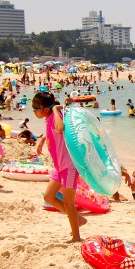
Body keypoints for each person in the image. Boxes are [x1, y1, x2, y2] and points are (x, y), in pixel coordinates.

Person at [33, 91, 85, 242]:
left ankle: (76, 237)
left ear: (46, 109)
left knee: (69, 203)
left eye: (36, 108)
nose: (34, 110)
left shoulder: (56, 115)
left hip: (68, 165)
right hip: (59, 166)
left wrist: (56, 109)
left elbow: (60, 128)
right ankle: (78, 220)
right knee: (49, 196)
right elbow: (53, 131)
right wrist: (43, 140)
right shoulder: (49, 118)